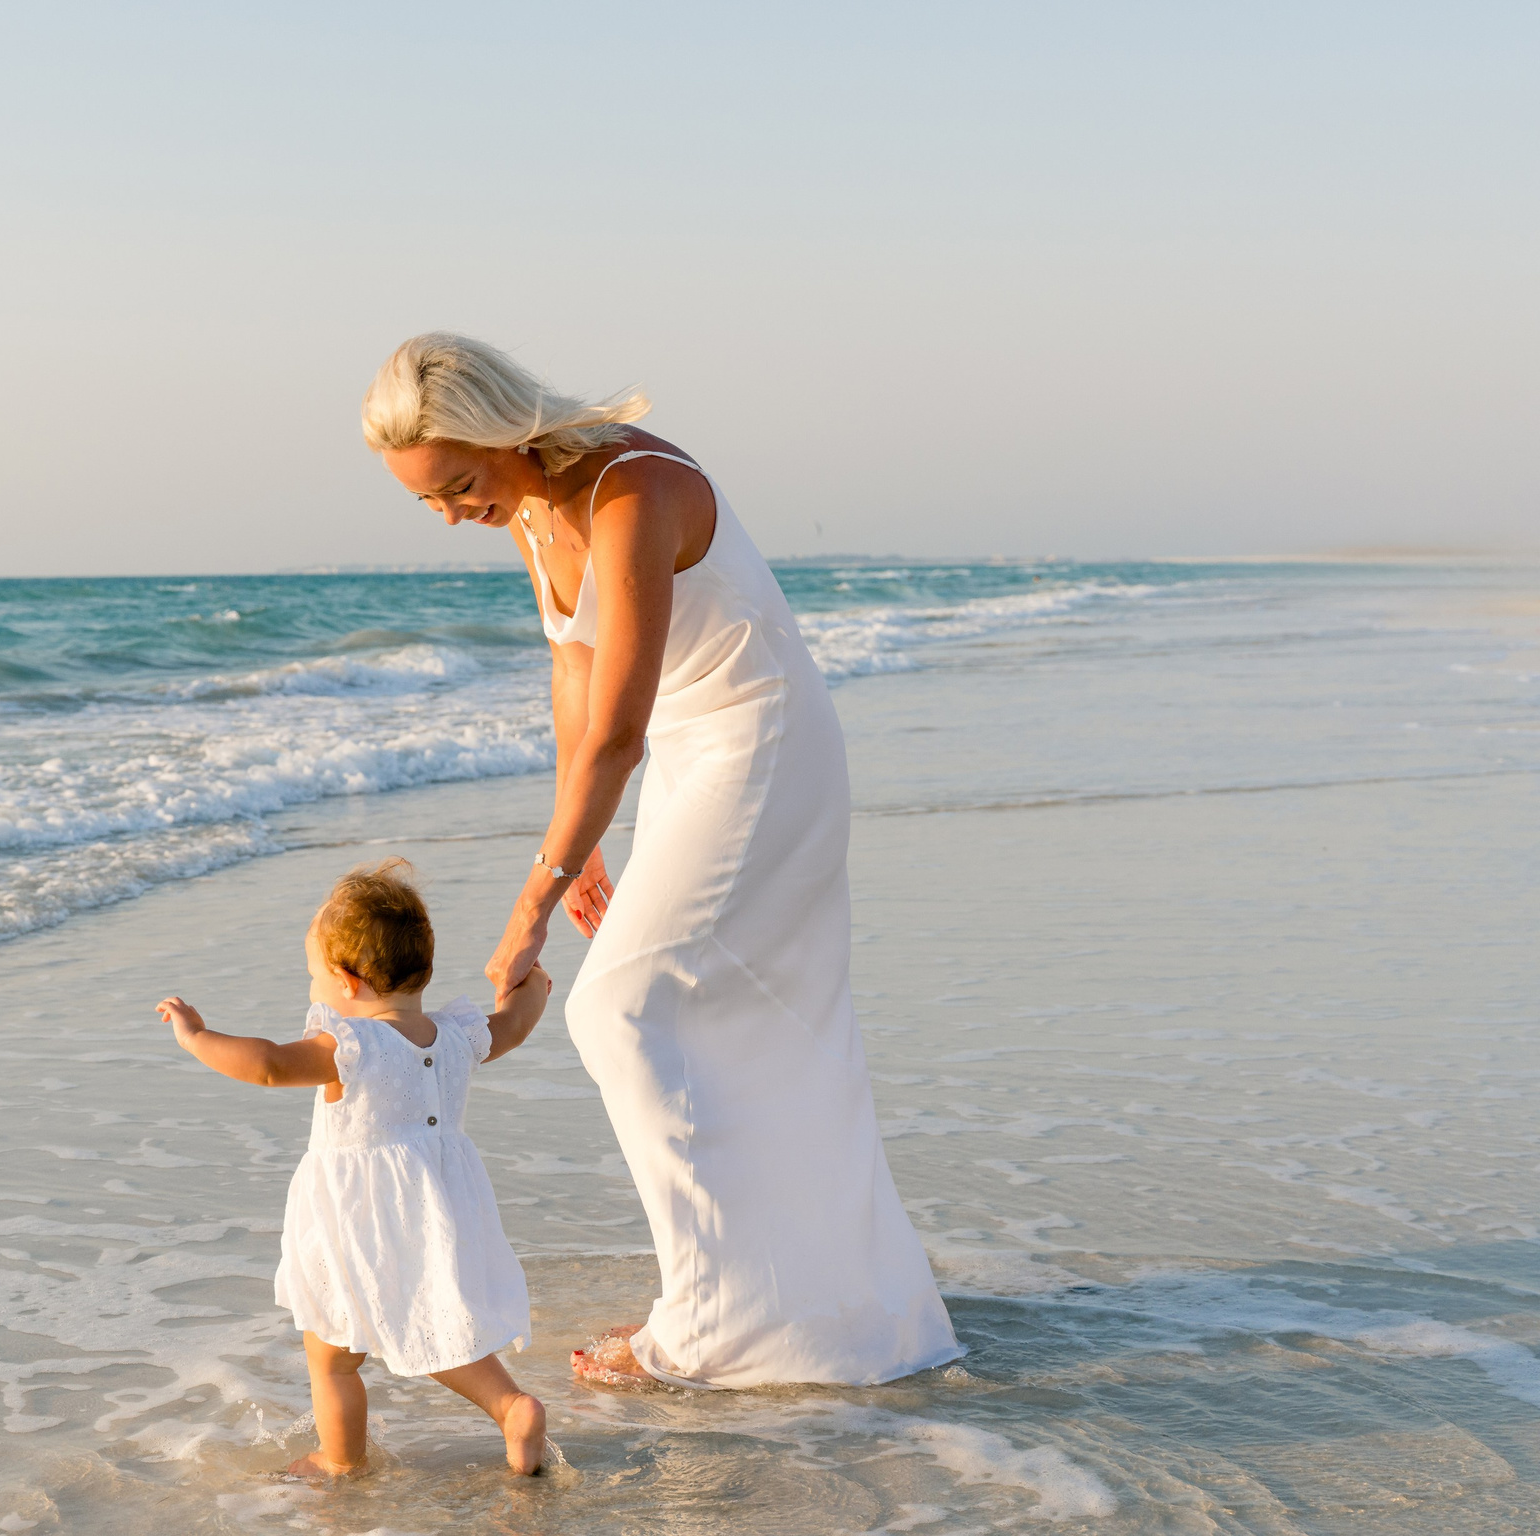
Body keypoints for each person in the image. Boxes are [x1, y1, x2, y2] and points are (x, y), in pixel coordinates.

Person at [363, 333, 964, 1390]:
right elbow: (575, 686)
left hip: (763, 741)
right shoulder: (529, 510)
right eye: (429, 501)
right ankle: (815, 1300)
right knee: (712, 1012)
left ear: (509, 433)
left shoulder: (630, 489)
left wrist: (533, 899)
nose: (453, 513)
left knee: (617, 1008)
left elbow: (616, 732)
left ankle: (700, 1324)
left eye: (459, 484)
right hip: (693, 750)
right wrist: (580, 834)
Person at [154, 859, 555, 1475]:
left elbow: (266, 1065)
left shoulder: (352, 1047)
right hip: (436, 1205)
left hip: (355, 1222)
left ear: (345, 979)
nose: (311, 984)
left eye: (312, 973)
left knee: (334, 1356)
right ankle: (511, 1406)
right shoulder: (455, 1037)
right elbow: (515, 1026)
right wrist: (534, 987)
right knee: (431, 1320)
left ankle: (340, 1461)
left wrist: (196, 1037)